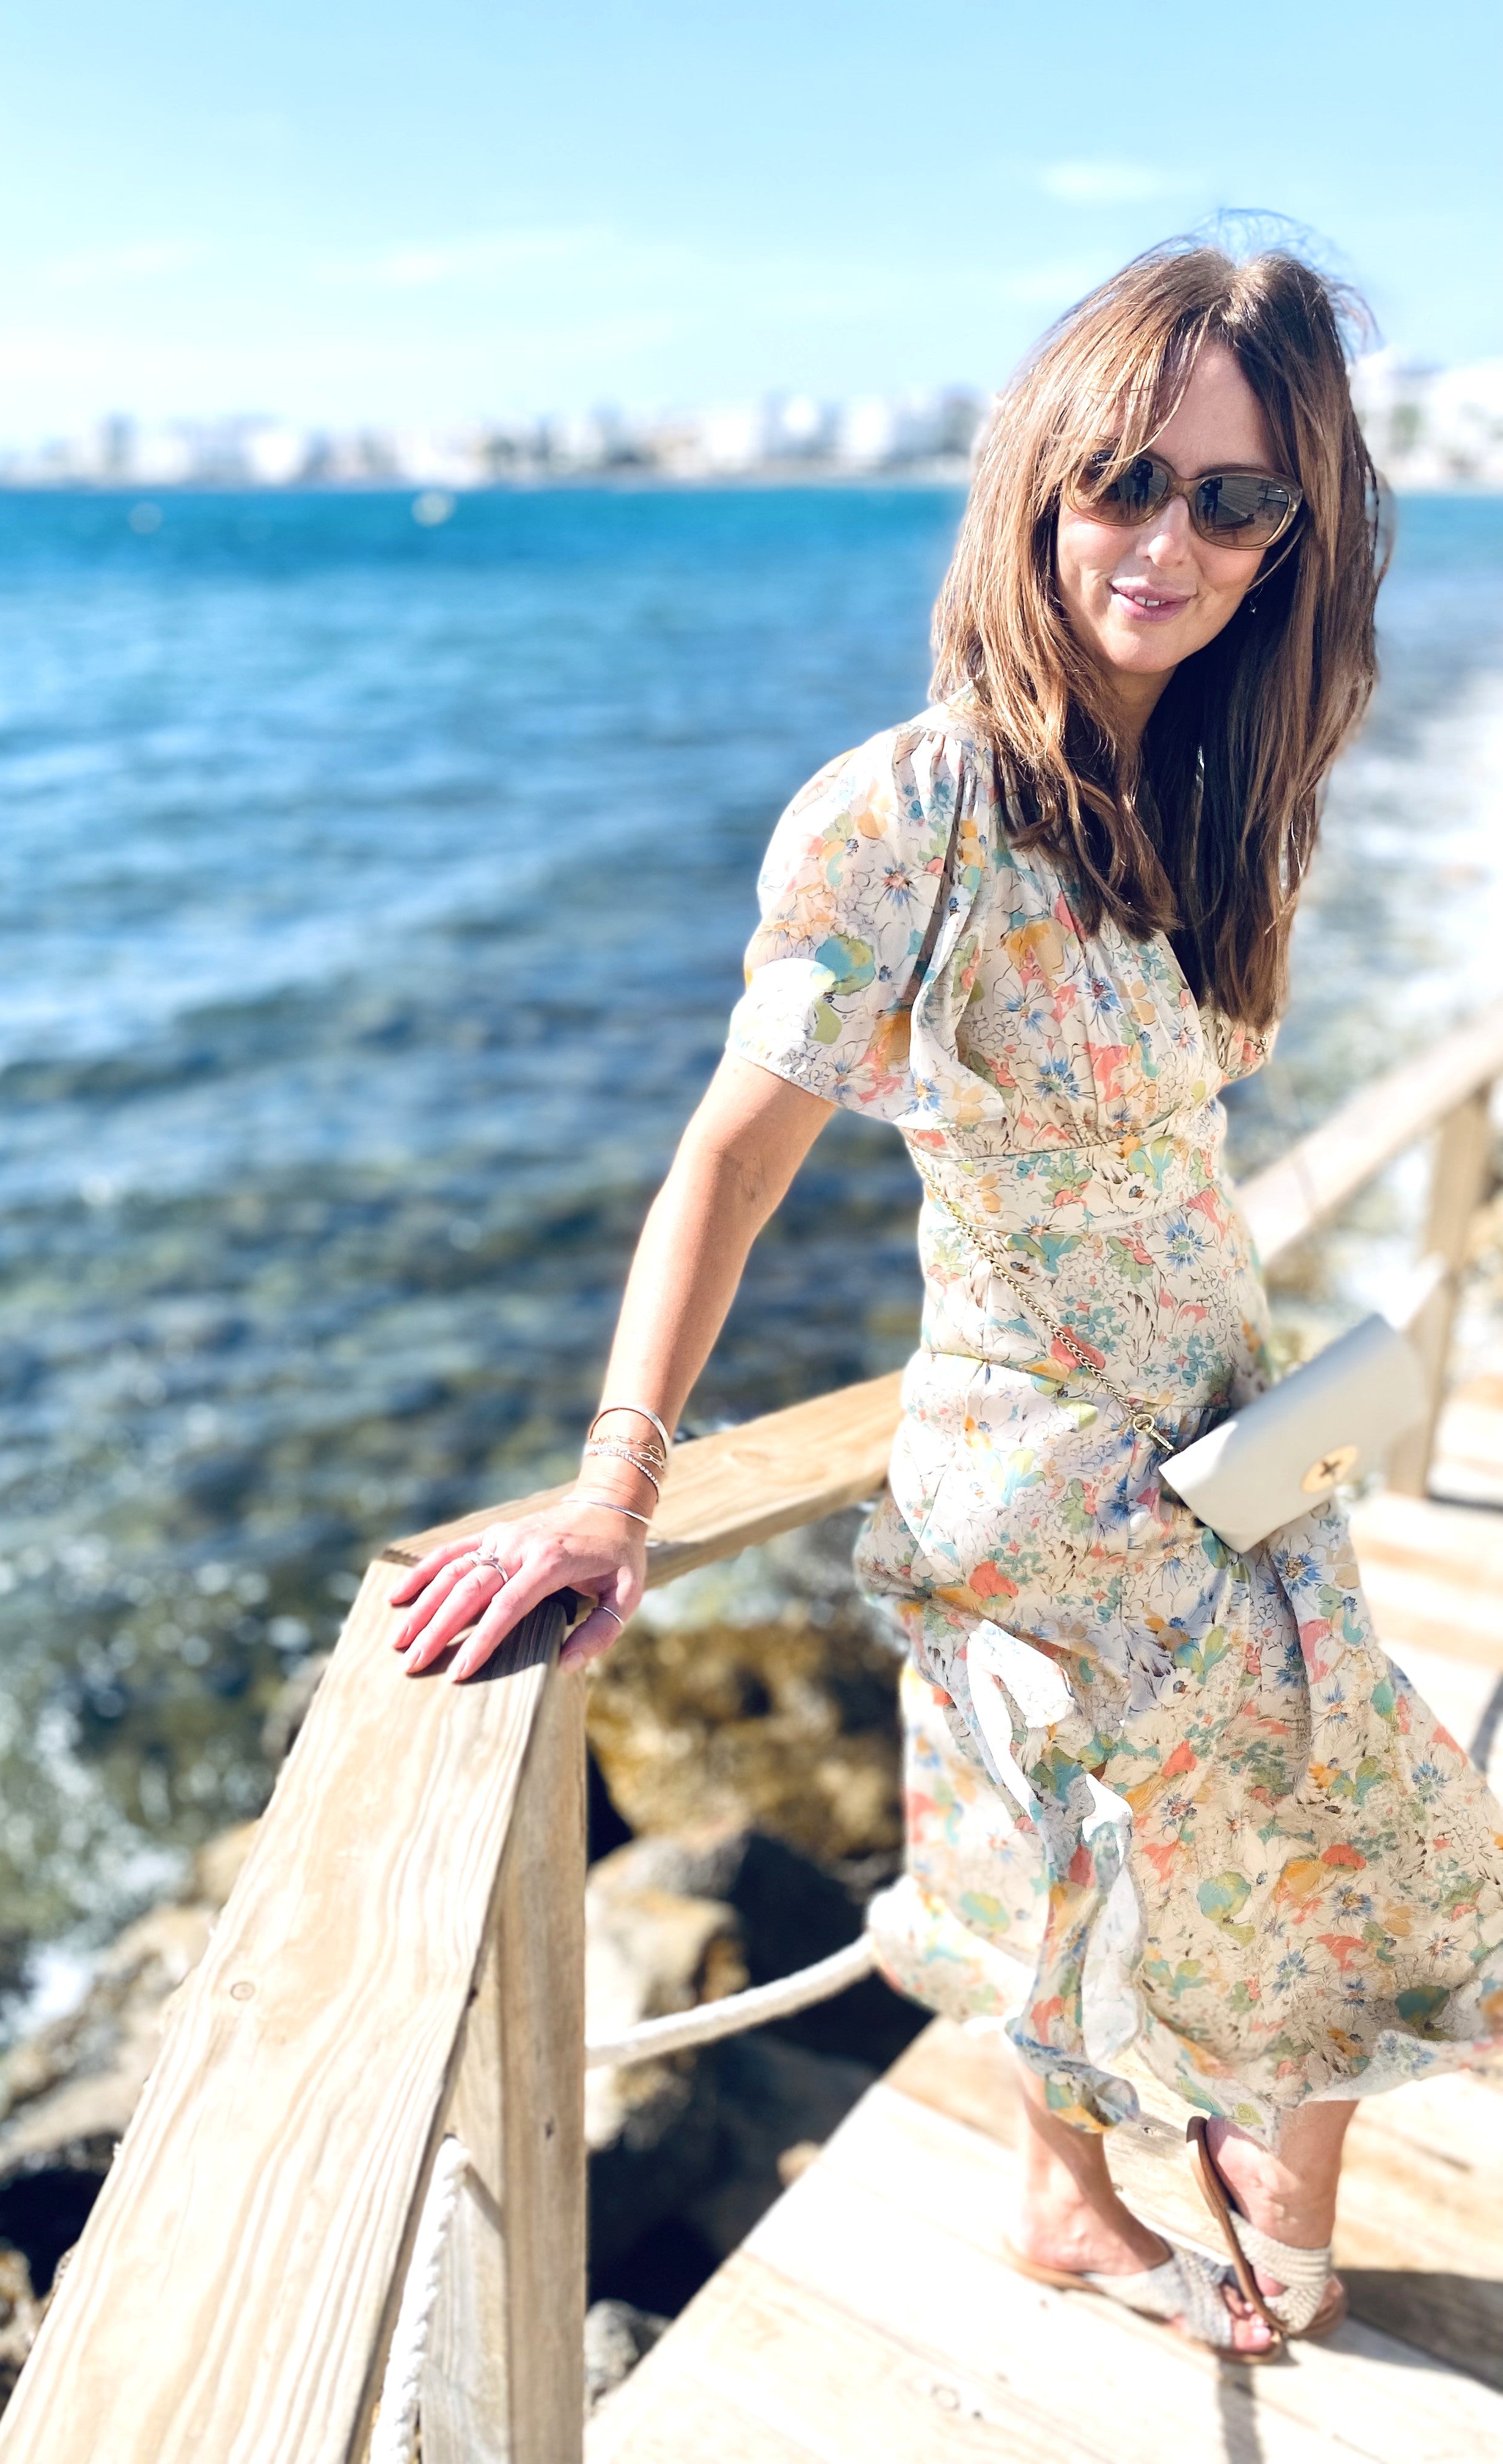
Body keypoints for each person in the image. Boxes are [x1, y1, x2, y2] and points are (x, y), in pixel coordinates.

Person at [389, 238, 1503, 2359]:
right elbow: (724, 1160)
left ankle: (1084, 2210)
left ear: (1297, 534)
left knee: (1150, 1863)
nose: (1165, 538)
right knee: (1351, 1842)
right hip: (1060, 1487)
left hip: (1239, 1446)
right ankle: (1205, 2215)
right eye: (1123, 479)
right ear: (1038, 484)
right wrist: (610, 1495)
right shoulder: (914, 812)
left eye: (1236, 497)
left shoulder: (1201, 793)